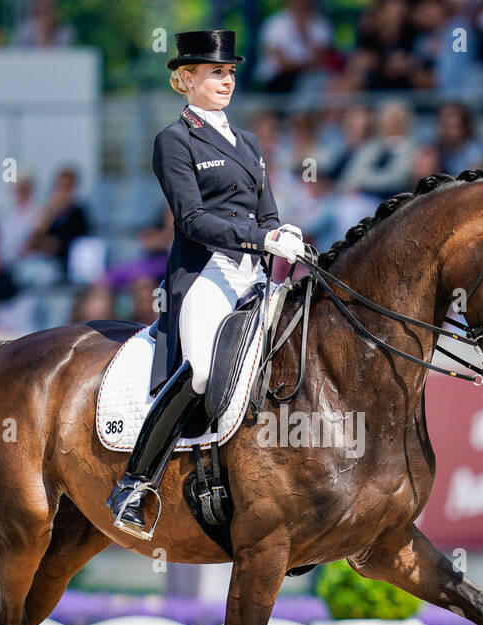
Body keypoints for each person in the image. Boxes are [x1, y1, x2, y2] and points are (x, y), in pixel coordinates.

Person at [105, 29, 305, 540]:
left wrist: (282, 234)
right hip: (206, 273)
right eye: (216, 72)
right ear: (185, 79)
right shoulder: (173, 140)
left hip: (255, 272)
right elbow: (191, 219)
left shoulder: (250, 142)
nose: (226, 81)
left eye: (231, 72)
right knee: (199, 373)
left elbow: (267, 212)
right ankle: (134, 483)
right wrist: (262, 236)